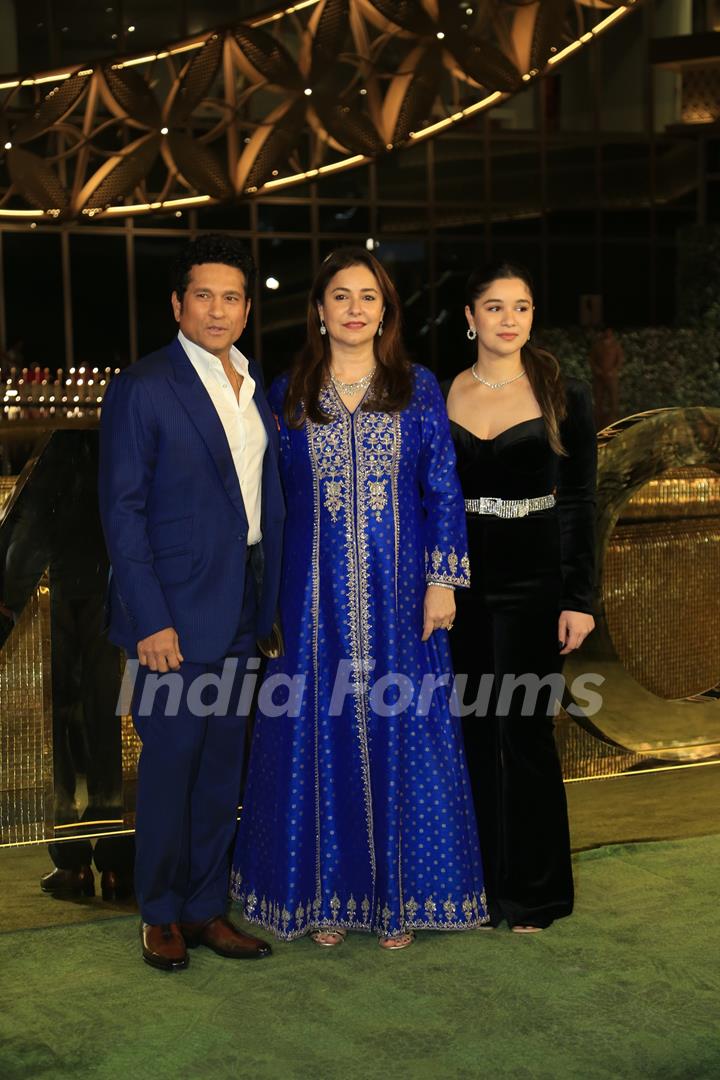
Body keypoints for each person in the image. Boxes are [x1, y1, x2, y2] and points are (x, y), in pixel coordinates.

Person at [230, 247, 488, 950]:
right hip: (310, 605)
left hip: (402, 598)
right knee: (315, 735)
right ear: (319, 309)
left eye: (367, 296)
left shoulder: (416, 388)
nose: (353, 308)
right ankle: (322, 898)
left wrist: (443, 580)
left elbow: (442, 487)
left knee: (402, 731)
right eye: (339, 295)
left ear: (385, 311)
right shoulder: (289, 393)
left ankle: (396, 898)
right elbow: (268, 503)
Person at [99, 234, 284, 971]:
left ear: (245, 310)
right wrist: (151, 620)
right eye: (202, 295)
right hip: (172, 617)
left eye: (231, 296)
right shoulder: (144, 387)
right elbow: (122, 512)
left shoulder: (255, 381)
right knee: (172, 767)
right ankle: (159, 914)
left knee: (219, 773)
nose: (217, 309)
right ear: (178, 305)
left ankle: (207, 908)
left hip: (244, 606)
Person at [443, 260, 596, 933]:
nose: (511, 320)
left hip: (535, 583)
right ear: (469, 317)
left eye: (523, 307)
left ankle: (533, 893)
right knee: (472, 731)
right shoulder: (439, 392)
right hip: (460, 586)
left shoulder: (562, 391)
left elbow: (582, 500)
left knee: (525, 733)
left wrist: (580, 599)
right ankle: (476, 889)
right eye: (496, 307)